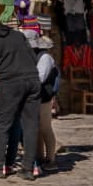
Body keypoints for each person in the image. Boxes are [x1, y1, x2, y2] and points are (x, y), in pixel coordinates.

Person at [0, 17, 44, 179]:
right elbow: (32, 57)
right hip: (33, 79)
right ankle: (28, 169)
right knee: (31, 125)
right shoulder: (18, 34)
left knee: (1, 123)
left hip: (11, 81)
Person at [33, 35, 61, 167]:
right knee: (37, 129)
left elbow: (40, 78)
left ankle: (50, 158)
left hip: (43, 97)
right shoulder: (39, 57)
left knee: (45, 128)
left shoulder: (45, 58)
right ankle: (39, 156)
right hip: (37, 97)